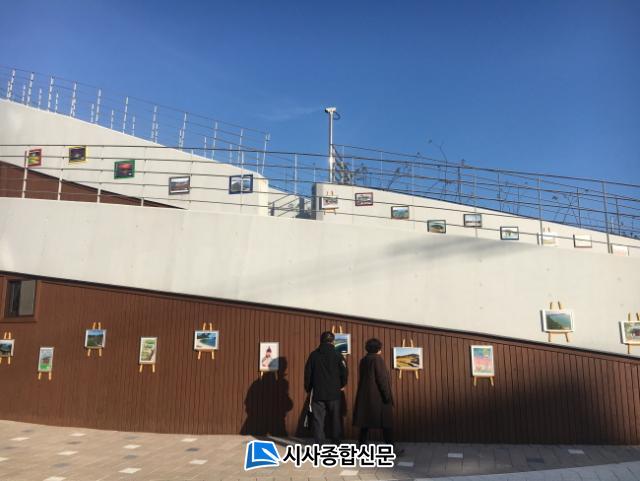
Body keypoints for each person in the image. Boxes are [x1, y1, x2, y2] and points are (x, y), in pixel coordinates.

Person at [353, 338, 404, 455]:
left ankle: (360, 446)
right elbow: (382, 379)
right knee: (386, 424)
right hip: (378, 397)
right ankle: (391, 448)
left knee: (365, 423)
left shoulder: (364, 360)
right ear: (378, 349)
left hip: (365, 396)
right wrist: (387, 396)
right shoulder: (377, 360)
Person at [304, 331, 348, 444]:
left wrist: (308, 388)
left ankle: (319, 444)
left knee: (318, 420)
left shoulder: (314, 355)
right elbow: (344, 372)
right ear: (333, 341)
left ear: (321, 340)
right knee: (335, 419)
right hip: (334, 393)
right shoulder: (338, 355)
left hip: (318, 392)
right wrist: (342, 385)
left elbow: (308, 374)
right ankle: (336, 442)